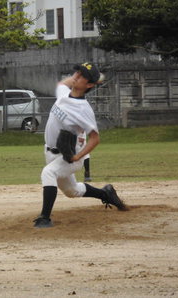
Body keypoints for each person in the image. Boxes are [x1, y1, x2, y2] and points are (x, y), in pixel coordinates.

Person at [34, 62, 127, 228]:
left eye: (82, 76)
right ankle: (105, 193)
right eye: (77, 72)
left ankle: (45, 218)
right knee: (72, 191)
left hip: (70, 156)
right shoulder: (64, 94)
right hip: (50, 152)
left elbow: (94, 138)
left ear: (89, 84)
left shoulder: (83, 109)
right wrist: (74, 78)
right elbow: (61, 84)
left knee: (48, 173)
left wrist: (78, 157)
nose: (76, 76)